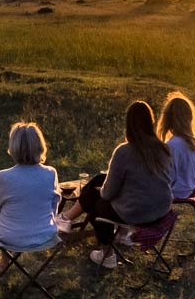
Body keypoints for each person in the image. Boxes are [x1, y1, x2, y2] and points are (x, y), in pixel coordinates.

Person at [73, 101, 174, 268]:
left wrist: (102, 191)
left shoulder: (124, 152)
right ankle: (71, 220)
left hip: (137, 213)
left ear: (129, 125)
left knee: (96, 201)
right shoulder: (164, 149)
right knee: (100, 179)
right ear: (150, 122)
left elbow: (108, 193)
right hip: (161, 210)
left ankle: (107, 255)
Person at [0, 122, 62, 264]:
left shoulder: (3, 176)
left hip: (11, 237)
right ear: (40, 145)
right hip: (45, 234)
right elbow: (54, 207)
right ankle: (0, 259)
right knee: (8, 218)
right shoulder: (51, 173)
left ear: (13, 147)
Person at [158, 91, 195, 200]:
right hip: (189, 188)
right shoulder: (192, 142)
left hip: (177, 191)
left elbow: (169, 177)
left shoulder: (173, 145)